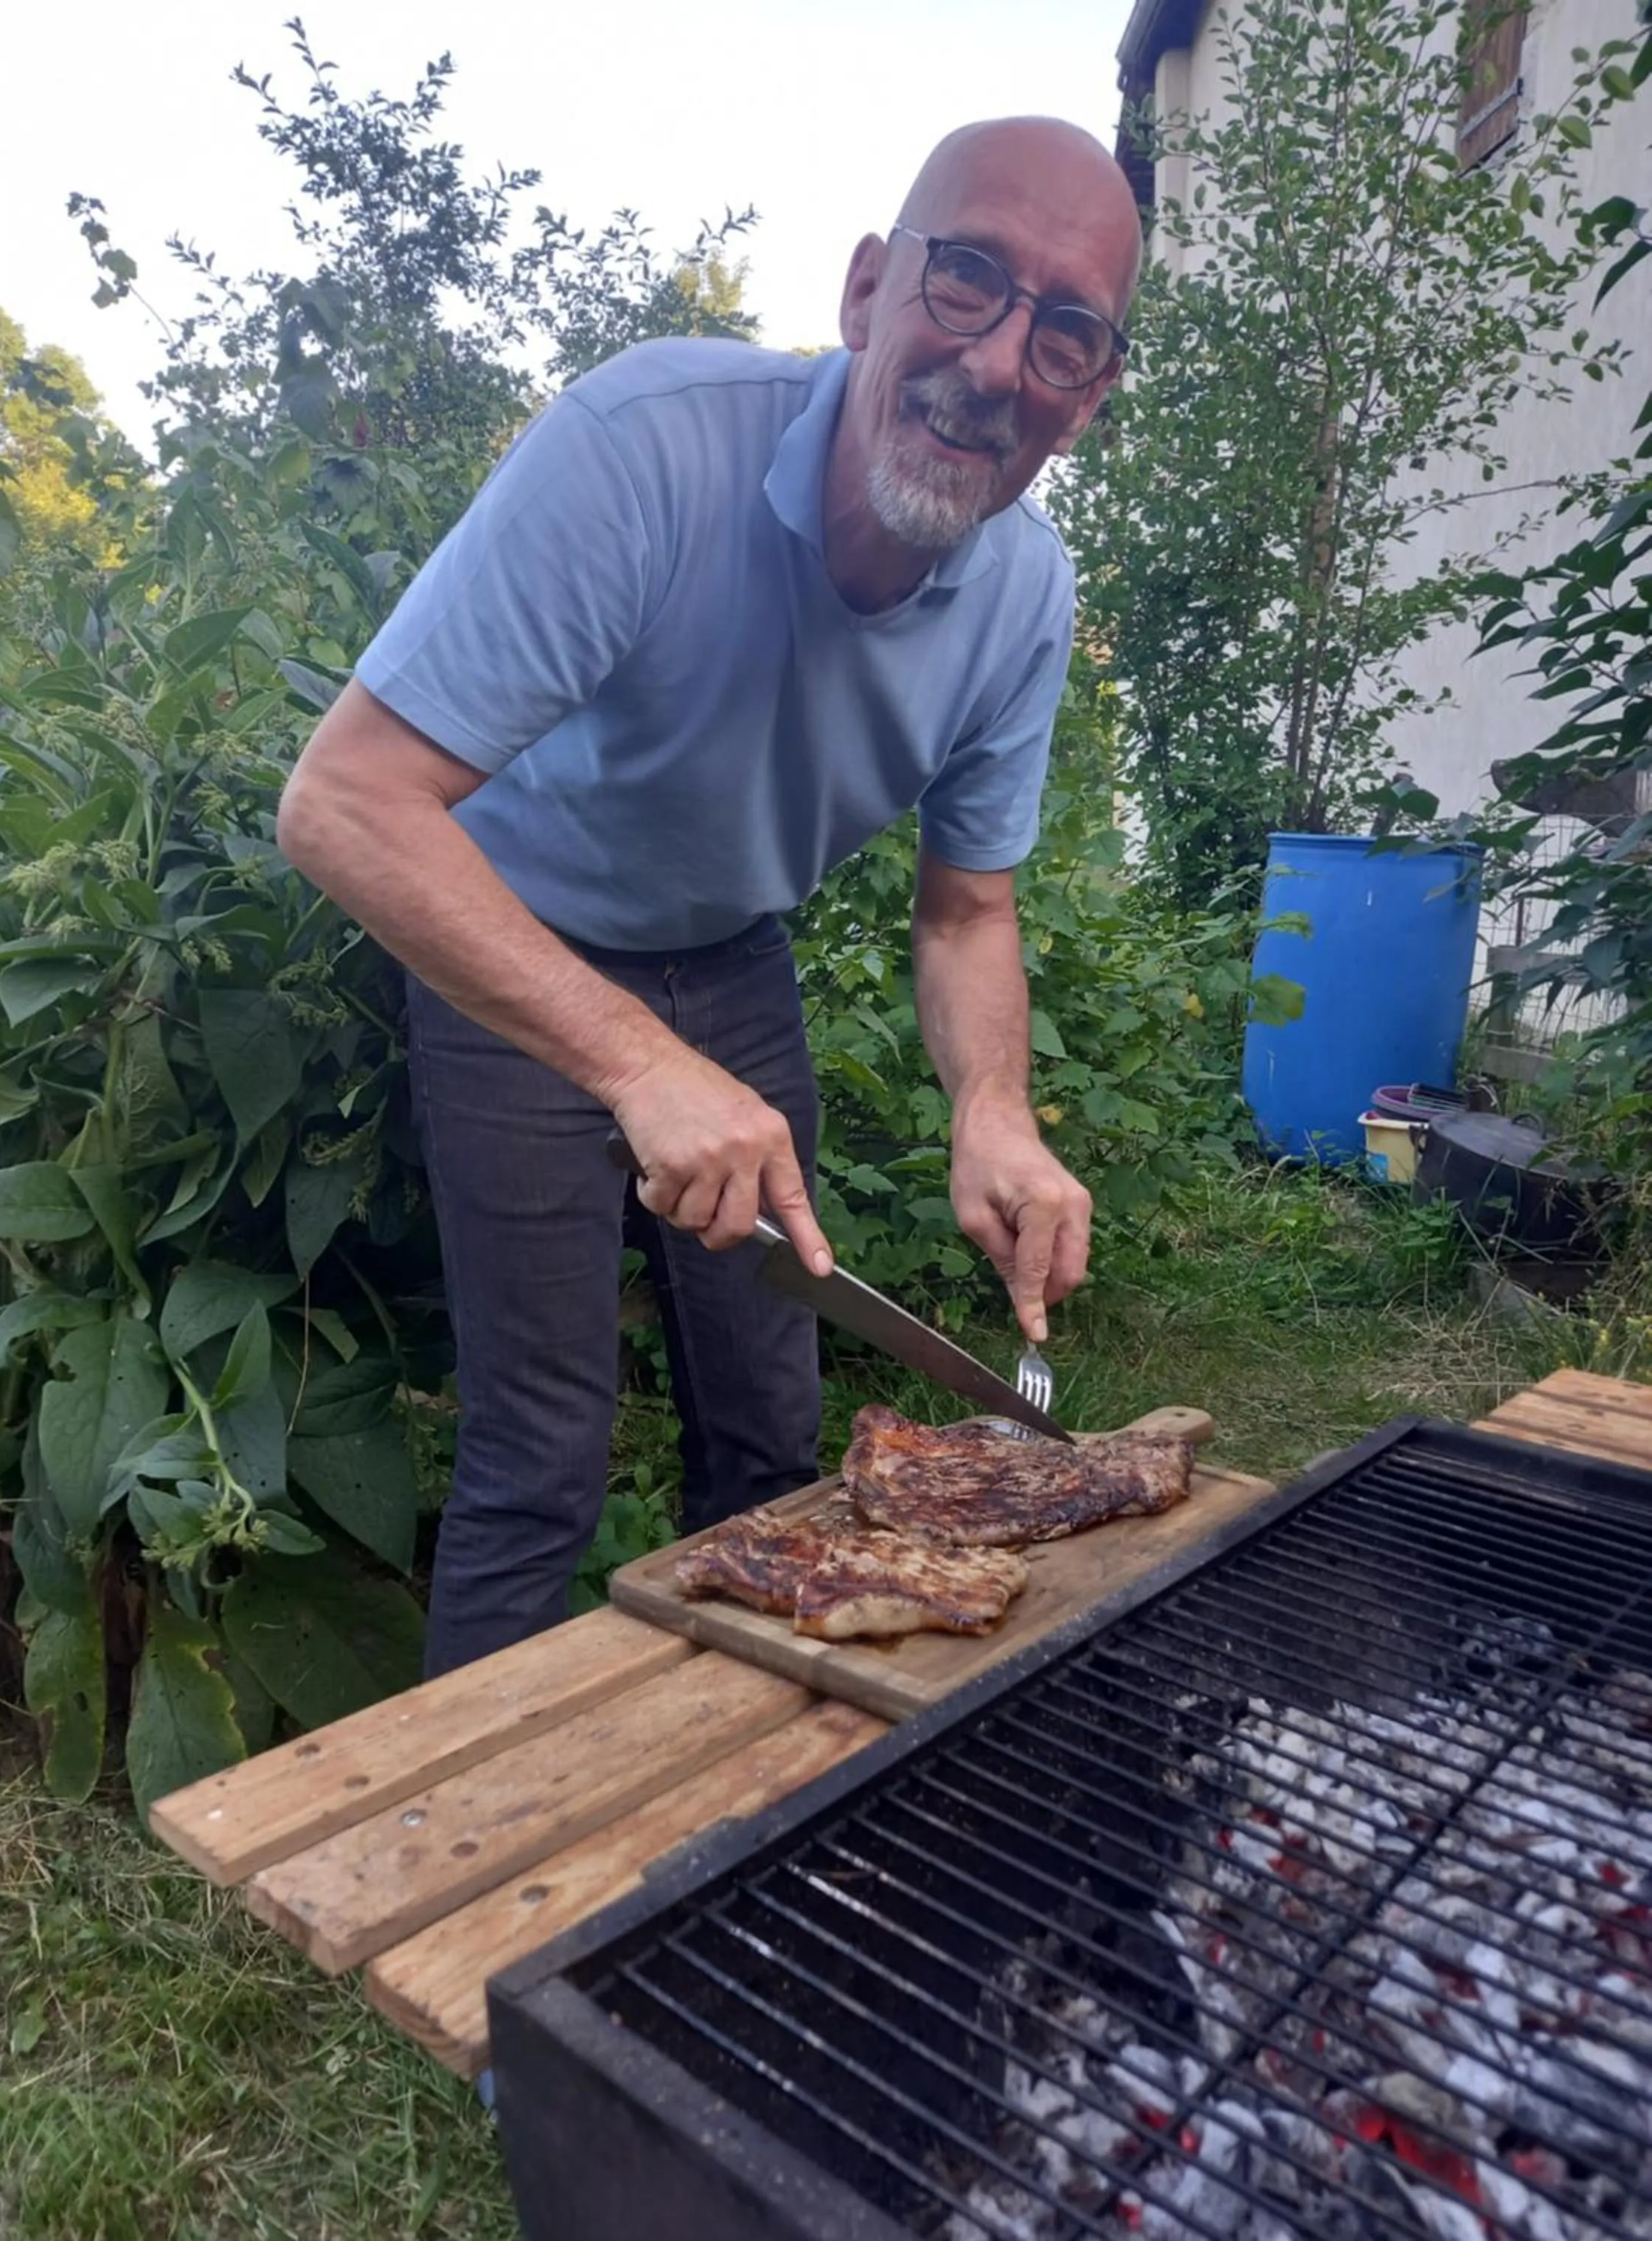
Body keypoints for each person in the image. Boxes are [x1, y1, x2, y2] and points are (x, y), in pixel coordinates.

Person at [276, 116, 1143, 1676]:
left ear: (1087, 399)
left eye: (1064, 333)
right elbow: (345, 804)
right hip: (511, 946)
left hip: (733, 960)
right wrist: (631, 1062)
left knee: (771, 1431)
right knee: (541, 1455)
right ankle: (470, 1821)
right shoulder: (645, 447)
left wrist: (994, 1109)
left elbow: (967, 912)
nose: (998, 363)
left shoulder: (1027, 594)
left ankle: (756, 1790)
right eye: (966, 281)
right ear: (867, 290)